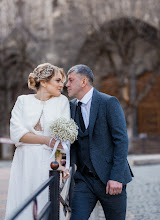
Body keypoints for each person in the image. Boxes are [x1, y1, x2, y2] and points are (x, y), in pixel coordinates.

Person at [66, 64, 134, 220]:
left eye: (70, 80)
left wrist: (116, 177)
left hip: (111, 180)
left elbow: (121, 140)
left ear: (83, 81)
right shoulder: (71, 108)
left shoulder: (108, 102)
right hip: (84, 180)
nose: (67, 84)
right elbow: (73, 143)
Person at [5, 63, 70, 220]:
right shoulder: (22, 101)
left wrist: (61, 164)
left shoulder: (62, 102)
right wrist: (46, 140)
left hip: (49, 162)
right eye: (58, 80)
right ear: (44, 82)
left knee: (48, 201)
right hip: (24, 161)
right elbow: (17, 134)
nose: (62, 84)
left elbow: (63, 137)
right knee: (24, 201)